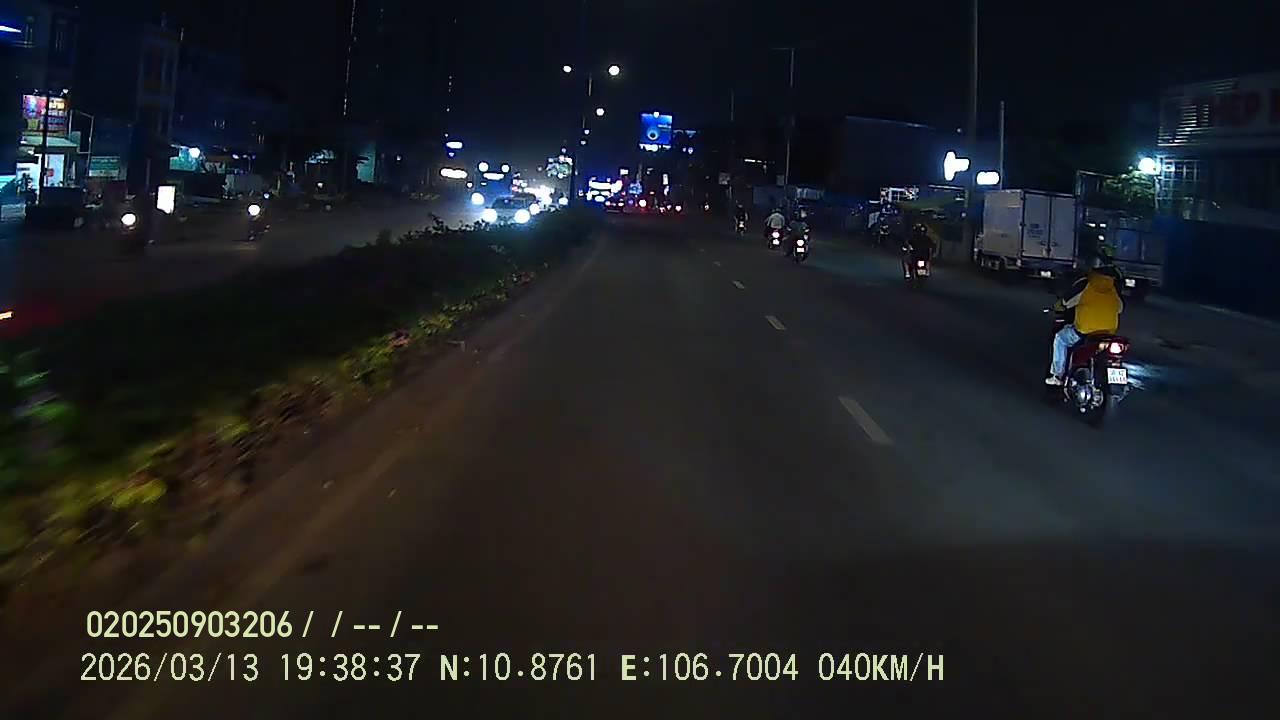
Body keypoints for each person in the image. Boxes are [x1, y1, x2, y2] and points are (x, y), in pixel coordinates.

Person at [1046, 256, 1124, 385]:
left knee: (1060, 338)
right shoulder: (1113, 287)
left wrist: (1057, 306)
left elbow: (1066, 302)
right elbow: (1120, 308)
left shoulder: (1085, 284)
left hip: (1085, 332)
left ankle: (1058, 376)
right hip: (1108, 333)